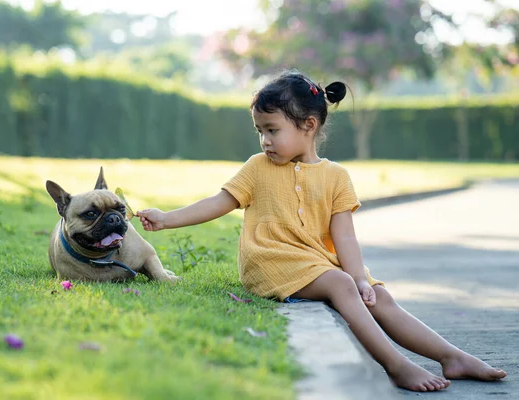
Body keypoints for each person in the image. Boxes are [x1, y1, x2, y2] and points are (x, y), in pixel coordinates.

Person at [136, 70, 507, 392]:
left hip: (318, 262)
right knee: (342, 285)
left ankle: (451, 356)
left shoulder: (336, 177)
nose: (264, 140)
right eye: (259, 131)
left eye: (272, 130)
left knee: (378, 296)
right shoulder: (257, 168)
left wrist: (362, 279)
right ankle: (396, 365)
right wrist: (167, 218)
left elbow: (344, 237)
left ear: (308, 126)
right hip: (271, 261)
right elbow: (218, 202)